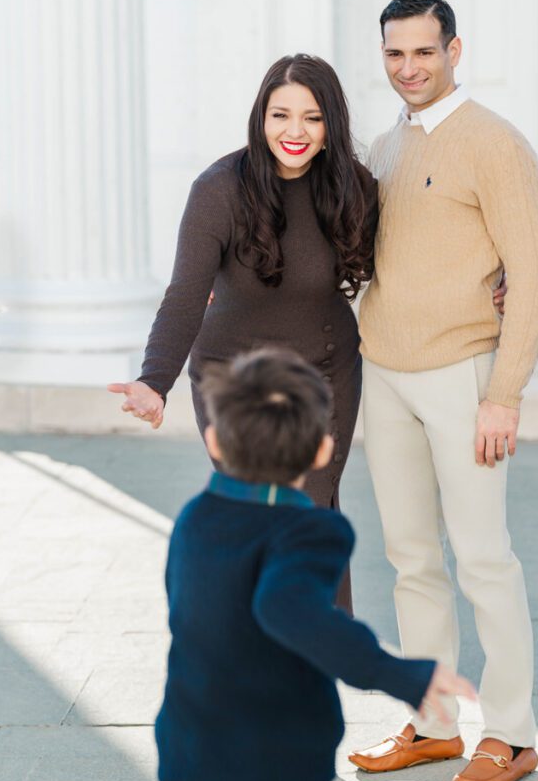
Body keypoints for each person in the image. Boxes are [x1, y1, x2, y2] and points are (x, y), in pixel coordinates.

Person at [108, 52, 508, 614]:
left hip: (324, 369)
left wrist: (496, 276)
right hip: (234, 378)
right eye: (281, 115)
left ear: (331, 125)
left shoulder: (353, 187)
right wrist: (154, 380)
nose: (295, 131)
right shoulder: (219, 189)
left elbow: (423, 245)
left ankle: (312, 654)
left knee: (312, 509)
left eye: (312, 117)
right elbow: (184, 294)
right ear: (261, 118)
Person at [348, 0, 538, 781]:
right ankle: (434, 726)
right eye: (395, 54)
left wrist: (503, 392)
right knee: (409, 558)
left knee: (481, 558)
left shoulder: (494, 144)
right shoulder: (386, 143)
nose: (408, 68)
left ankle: (511, 734)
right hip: (385, 373)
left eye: (423, 53)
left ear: (454, 50)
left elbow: (533, 275)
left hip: (462, 377)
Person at [155, 347, 476, 781]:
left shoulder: (193, 519)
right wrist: (402, 675)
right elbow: (288, 610)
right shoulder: (315, 531)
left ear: (214, 439)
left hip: (196, 760)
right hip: (288, 765)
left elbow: (185, 609)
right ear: (323, 451)